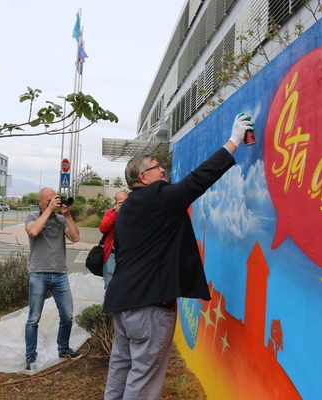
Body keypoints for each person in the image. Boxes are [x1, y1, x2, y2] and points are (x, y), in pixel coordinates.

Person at [103, 113, 254, 399]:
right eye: (157, 167)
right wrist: (234, 141)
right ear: (143, 178)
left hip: (123, 303)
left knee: (121, 367)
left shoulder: (128, 209)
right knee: (143, 378)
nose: (163, 170)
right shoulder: (157, 197)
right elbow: (198, 180)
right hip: (149, 307)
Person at [24, 188, 81, 372]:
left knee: (67, 316)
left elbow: (75, 238)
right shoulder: (32, 217)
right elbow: (33, 232)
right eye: (49, 200)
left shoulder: (60, 219)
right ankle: (30, 355)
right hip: (38, 274)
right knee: (33, 318)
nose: (53, 203)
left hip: (60, 275)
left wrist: (68, 216)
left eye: (54, 199)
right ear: (40, 202)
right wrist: (48, 210)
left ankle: (63, 348)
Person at [99, 191, 128, 288]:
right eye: (120, 202)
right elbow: (103, 228)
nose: (124, 204)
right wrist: (116, 212)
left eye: (126, 201)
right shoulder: (110, 213)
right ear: (116, 203)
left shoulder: (134, 213)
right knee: (110, 286)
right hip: (112, 254)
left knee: (126, 286)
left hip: (128, 256)